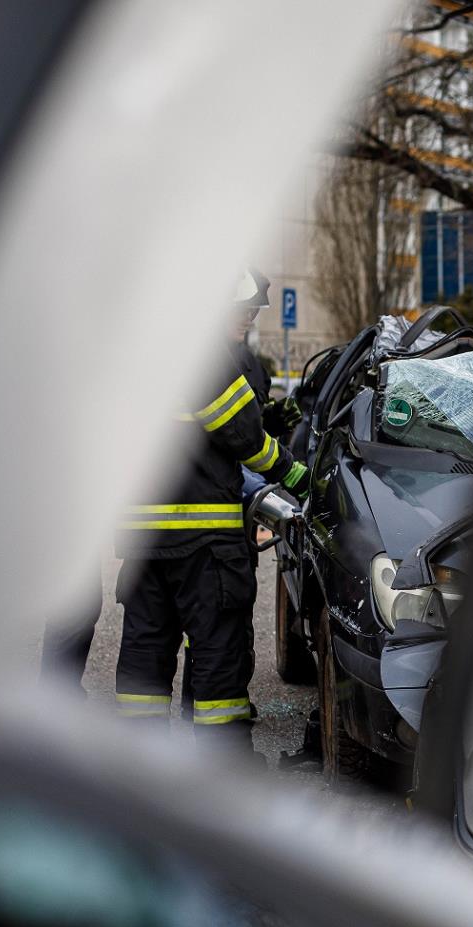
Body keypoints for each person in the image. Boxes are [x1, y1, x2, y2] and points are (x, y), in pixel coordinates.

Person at [113, 267, 308, 757]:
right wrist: (298, 475)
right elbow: (245, 438)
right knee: (218, 654)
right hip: (204, 544)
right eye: (242, 310)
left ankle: (139, 766)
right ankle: (222, 771)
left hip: (143, 540)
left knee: (145, 652)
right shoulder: (204, 356)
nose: (248, 319)